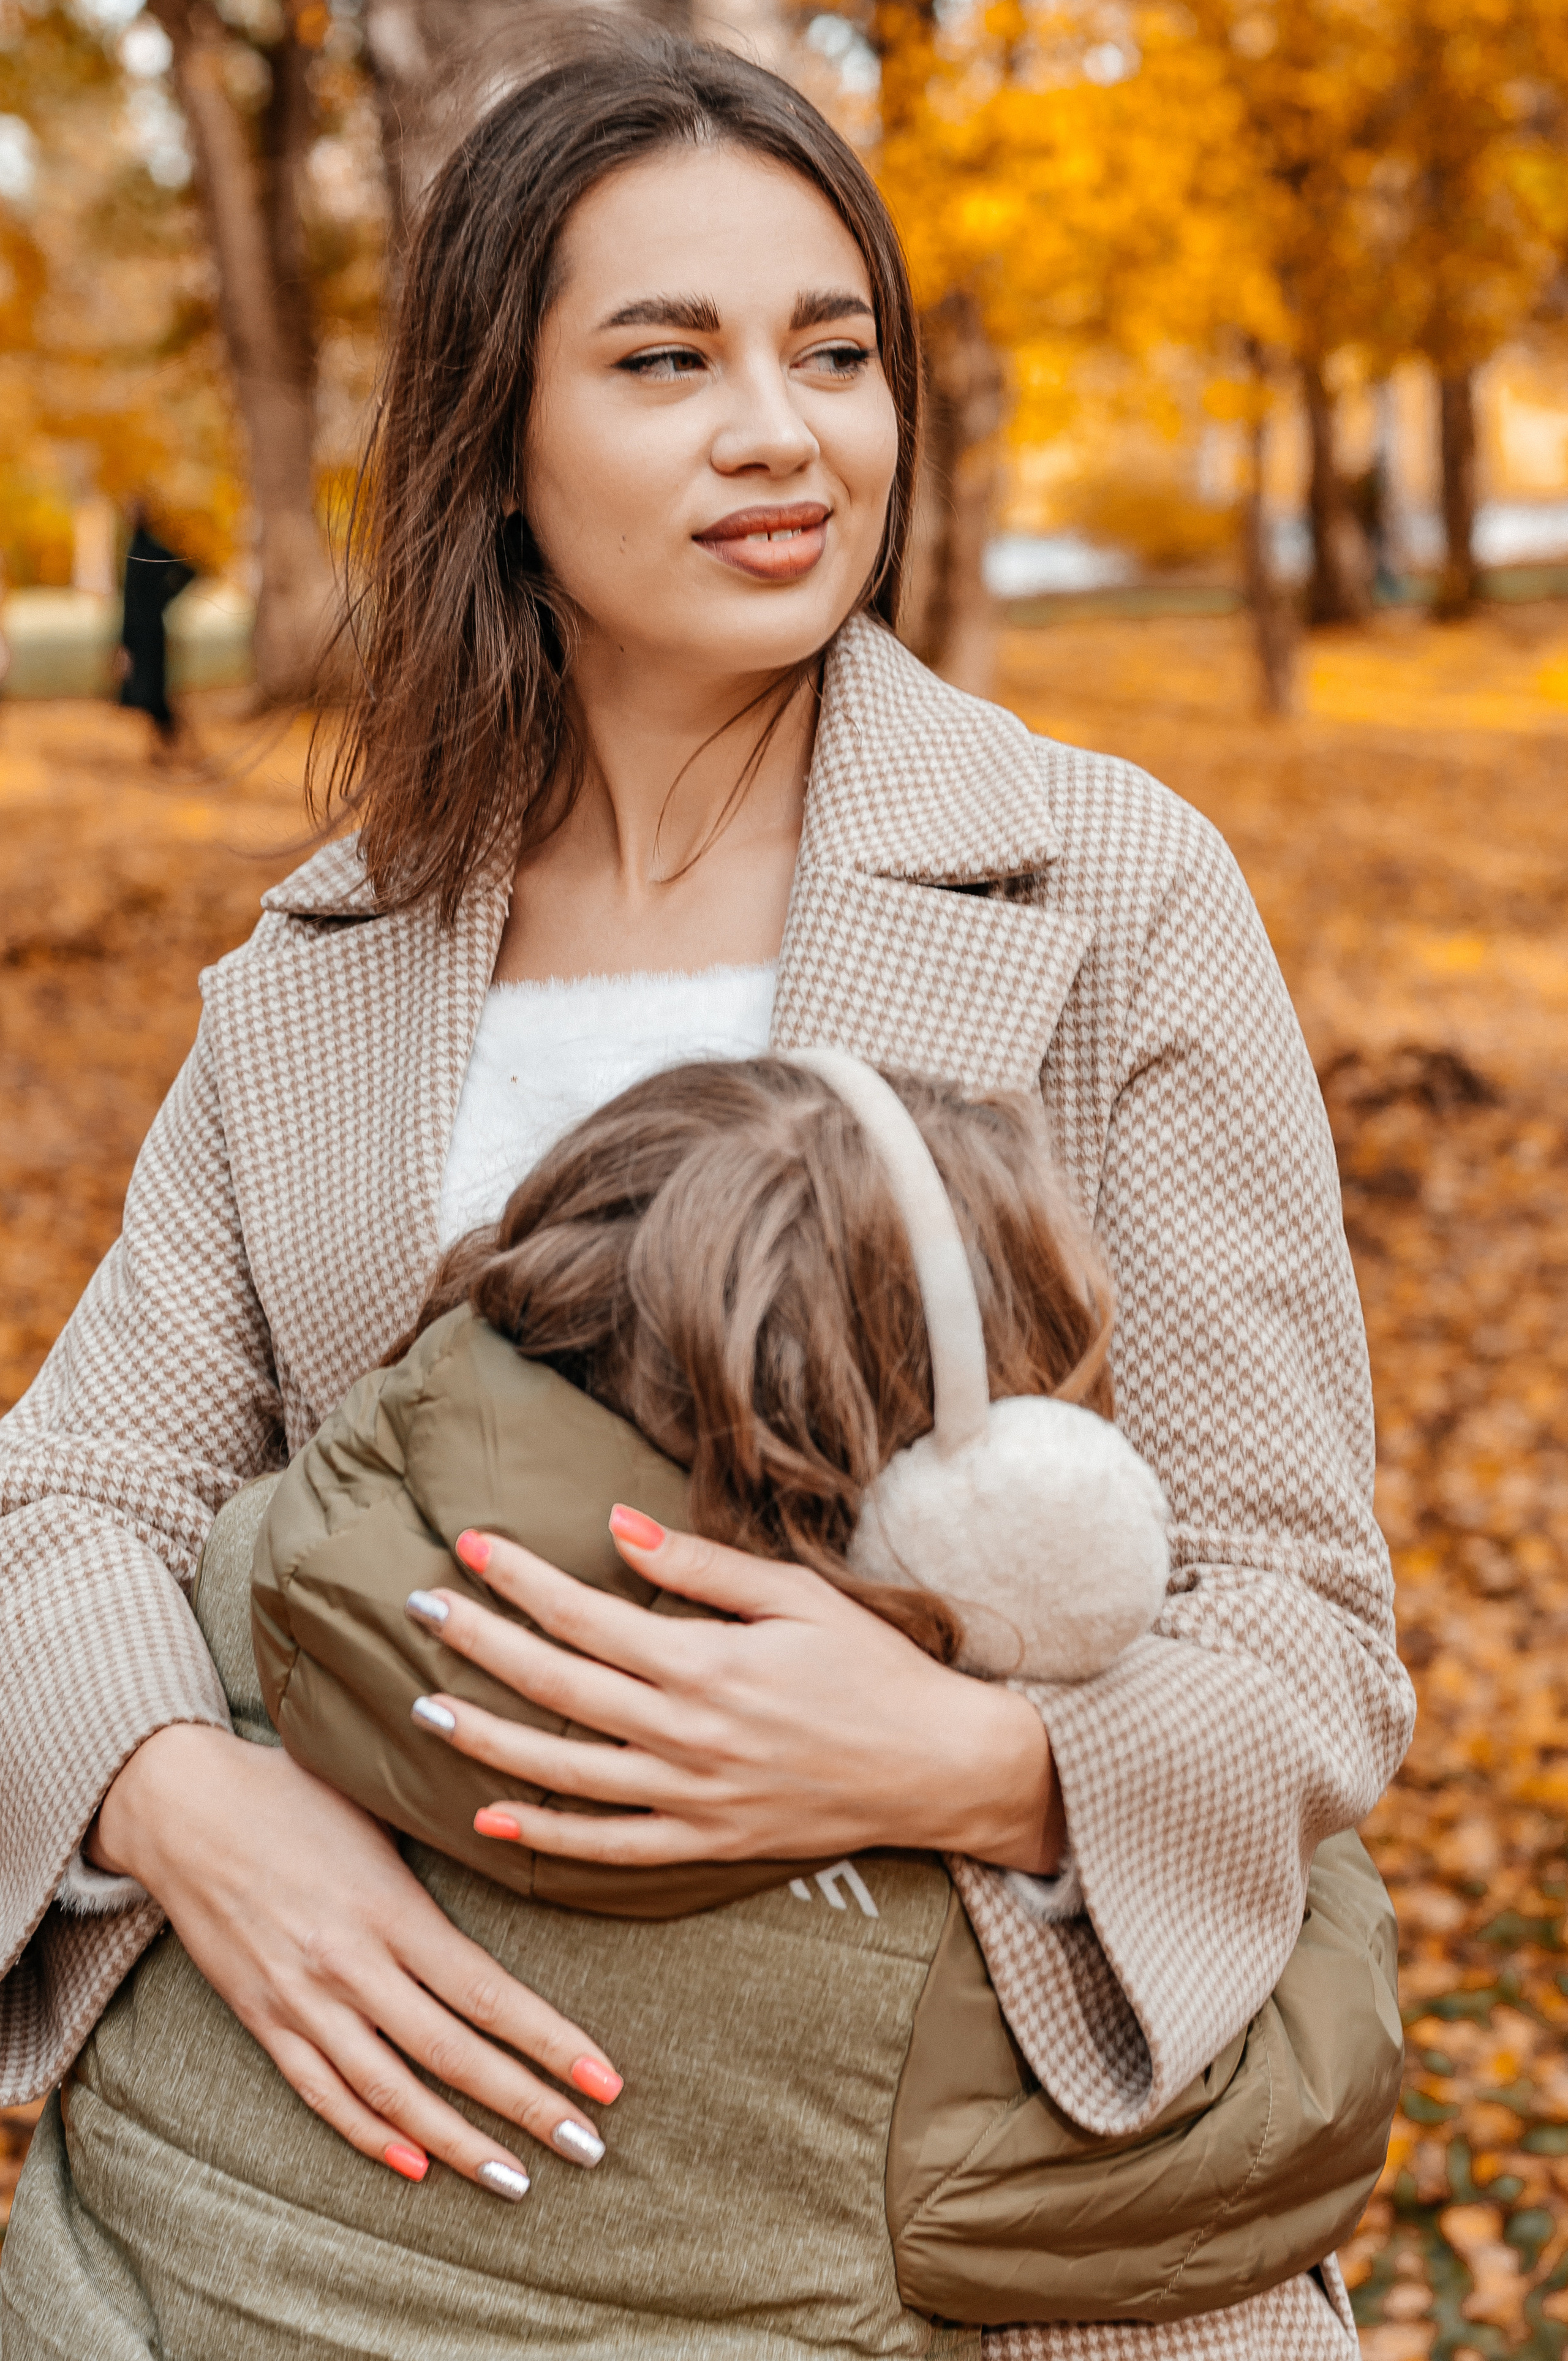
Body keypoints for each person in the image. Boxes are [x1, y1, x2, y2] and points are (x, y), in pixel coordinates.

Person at [0, 26, 1413, 2360]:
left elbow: (1295, 1619)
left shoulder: (1108, 891)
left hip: (956, 2238)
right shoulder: (328, 962)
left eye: (830, 350)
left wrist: (970, 1761)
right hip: (393, 2258)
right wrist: (173, 1803)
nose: (782, 430)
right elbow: (77, 1492)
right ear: (500, 436)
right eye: (666, 358)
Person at [117, 504, 194, 755]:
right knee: (145, 692)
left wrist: (164, 598)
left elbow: (187, 570)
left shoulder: (148, 549)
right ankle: (167, 744)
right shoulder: (135, 548)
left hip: (149, 633)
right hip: (139, 631)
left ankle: (173, 743)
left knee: (152, 692)